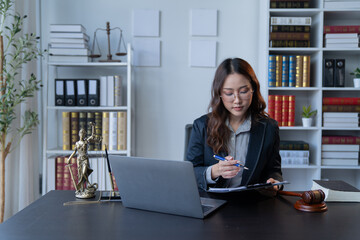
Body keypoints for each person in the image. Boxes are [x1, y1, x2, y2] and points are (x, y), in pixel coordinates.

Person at [187, 58, 283, 192]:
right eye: (229, 93)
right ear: (219, 93)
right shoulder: (201, 125)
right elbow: (189, 173)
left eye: (243, 91)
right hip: (211, 202)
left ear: (253, 90)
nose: (237, 100)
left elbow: (273, 170)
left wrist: (275, 181)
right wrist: (214, 171)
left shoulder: (269, 128)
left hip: (252, 203)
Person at [66, 122, 102, 198]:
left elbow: (93, 135)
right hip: (79, 160)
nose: (82, 135)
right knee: (80, 175)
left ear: (85, 134)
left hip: (85, 159)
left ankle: (88, 183)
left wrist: (93, 126)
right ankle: (82, 189)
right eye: (81, 133)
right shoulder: (77, 143)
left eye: (83, 133)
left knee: (84, 172)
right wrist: (69, 159)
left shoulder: (86, 141)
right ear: (79, 134)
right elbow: (74, 152)